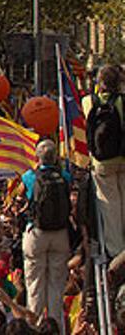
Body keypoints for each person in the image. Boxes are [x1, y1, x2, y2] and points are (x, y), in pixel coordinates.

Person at [20, 140, 72, 330]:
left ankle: (34, 330)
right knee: (56, 289)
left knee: (34, 289)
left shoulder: (30, 176)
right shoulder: (64, 175)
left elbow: (22, 195)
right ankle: (56, 328)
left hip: (37, 234)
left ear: (37, 156)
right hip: (60, 234)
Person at [83, 64, 125, 258]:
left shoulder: (88, 102)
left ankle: (116, 250)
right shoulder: (122, 102)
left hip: (101, 163)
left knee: (110, 206)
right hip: (123, 158)